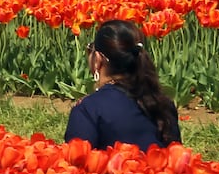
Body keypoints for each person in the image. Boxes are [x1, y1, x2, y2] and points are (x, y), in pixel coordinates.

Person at [65, 19, 181, 150]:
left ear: (98, 59)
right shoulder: (163, 105)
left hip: (110, 171)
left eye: (90, 50)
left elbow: (75, 165)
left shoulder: (88, 110)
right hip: (158, 170)